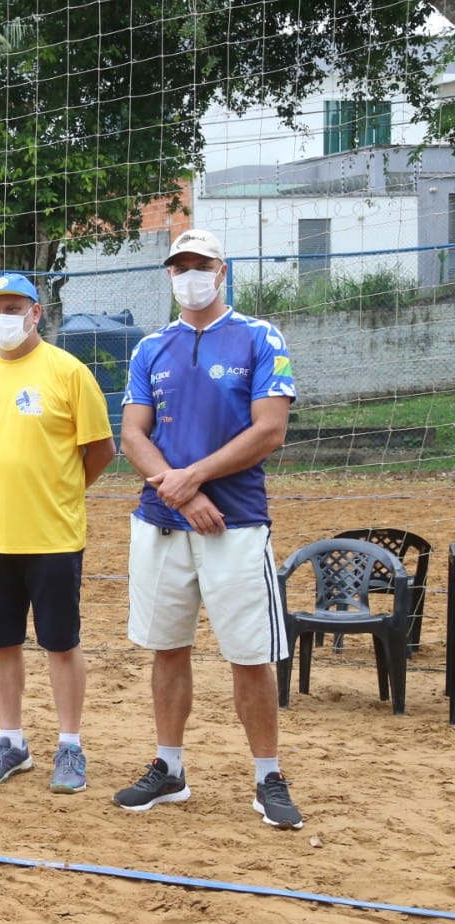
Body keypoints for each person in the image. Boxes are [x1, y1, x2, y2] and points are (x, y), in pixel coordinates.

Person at [112, 229, 304, 829]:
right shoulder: (151, 347)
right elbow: (132, 435)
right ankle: (169, 769)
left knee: (250, 655)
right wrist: (177, 487)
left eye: (200, 264)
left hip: (236, 523)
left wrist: (188, 478)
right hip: (161, 524)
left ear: (222, 270)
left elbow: (269, 429)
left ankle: (267, 776)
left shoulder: (259, 336)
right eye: (179, 266)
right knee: (168, 649)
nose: (188, 274)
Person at [0, 273, 115, 792]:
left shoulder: (68, 371)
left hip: (52, 537)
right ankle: (12, 741)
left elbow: (100, 451)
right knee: (1, 643)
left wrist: (64, 490)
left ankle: (70, 746)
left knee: (60, 643)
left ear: (37, 312)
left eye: (13, 307)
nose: (2, 317)